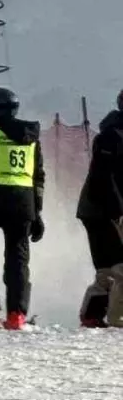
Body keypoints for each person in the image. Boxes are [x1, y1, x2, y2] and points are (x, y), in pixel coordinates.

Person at [0, 87, 45, 331]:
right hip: (24, 202)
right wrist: (38, 213)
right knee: (18, 258)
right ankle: (17, 315)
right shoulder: (33, 137)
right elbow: (38, 177)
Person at [76, 91, 123, 327]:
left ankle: (93, 316)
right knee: (118, 267)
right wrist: (118, 211)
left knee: (108, 269)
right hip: (99, 210)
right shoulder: (110, 137)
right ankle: (115, 319)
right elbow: (103, 178)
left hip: (110, 209)